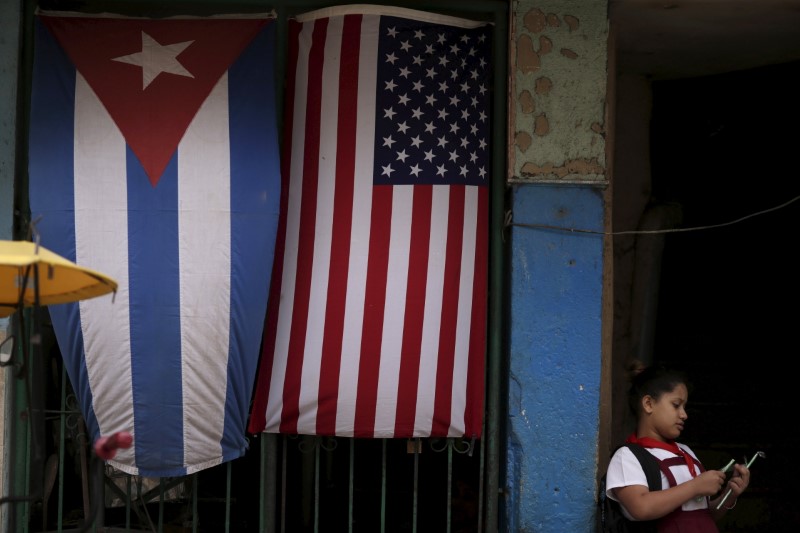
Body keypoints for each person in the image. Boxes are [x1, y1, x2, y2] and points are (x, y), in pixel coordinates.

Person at [604, 363, 750, 532]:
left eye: (684, 407)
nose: (684, 414)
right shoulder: (627, 457)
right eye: (676, 405)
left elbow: (701, 516)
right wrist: (695, 487)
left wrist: (729, 494)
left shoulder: (685, 452)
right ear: (648, 404)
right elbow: (641, 507)